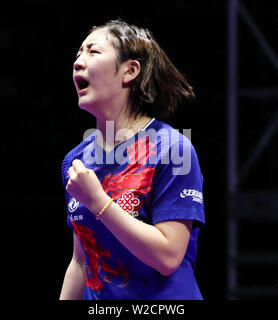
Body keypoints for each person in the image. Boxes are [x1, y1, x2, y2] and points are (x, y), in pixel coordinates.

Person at [59, 19, 205, 300]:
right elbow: (81, 262)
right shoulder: (75, 161)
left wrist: (99, 202)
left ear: (130, 70)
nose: (78, 61)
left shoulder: (172, 149)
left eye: (93, 51)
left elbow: (168, 257)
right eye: (78, 53)